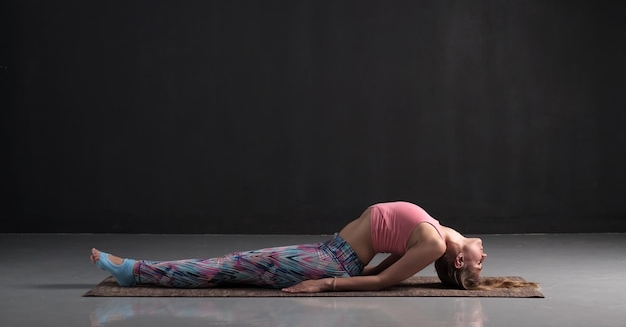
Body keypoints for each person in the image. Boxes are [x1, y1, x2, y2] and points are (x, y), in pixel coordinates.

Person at [90, 201, 536, 292]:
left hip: (329, 261)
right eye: (484, 262)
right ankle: (138, 270)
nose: (486, 255)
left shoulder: (435, 243)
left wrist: (326, 286)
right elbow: (390, 261)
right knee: (231, 264)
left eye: (480, 264)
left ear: (459, 260)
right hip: (328, 250)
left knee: (229, 265)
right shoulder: (434, 234)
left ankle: (136, 271)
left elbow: (381, 279)